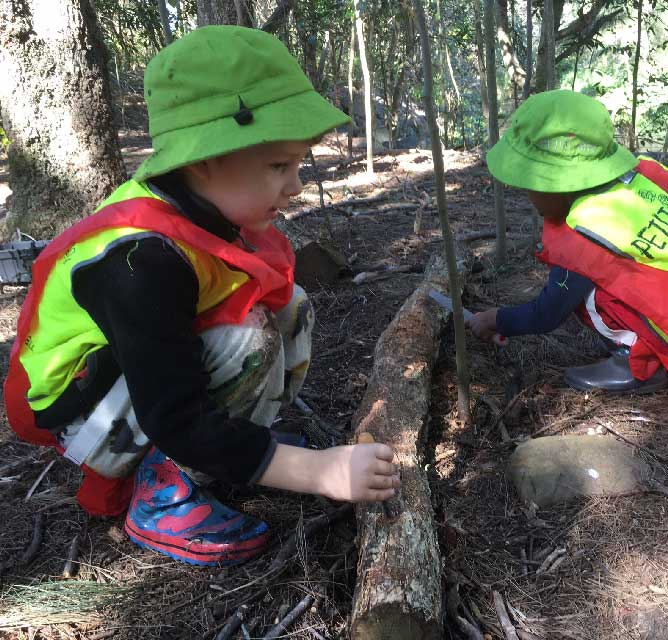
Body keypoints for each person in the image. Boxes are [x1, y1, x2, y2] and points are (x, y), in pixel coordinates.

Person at [4, 26, 399, 567]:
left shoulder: (204, 209)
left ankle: (228, 452)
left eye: (297, 164)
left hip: (137, 383)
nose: (297, 185)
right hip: (83, 412)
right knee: (248, 339)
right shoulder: (140, 261)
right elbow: (174, 413)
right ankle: (159, 491)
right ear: (205, 160)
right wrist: (320, 473)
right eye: (279, 165)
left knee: (289, 308)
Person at [466, 90, 668, 393]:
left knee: (589, 295)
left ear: (558, 184)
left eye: (531, 185)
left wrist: (496, 319)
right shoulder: (641, 177)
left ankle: (636, 363)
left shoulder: (588, 229)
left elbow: (548, 312)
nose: (529, 196)